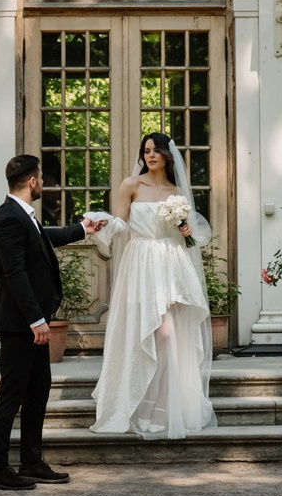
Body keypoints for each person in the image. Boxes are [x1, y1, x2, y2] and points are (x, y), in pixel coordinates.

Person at [0, 153, 102, 491]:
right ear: (33, 182)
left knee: (38, 390)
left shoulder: (23, 215)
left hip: (33, 323)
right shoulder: (8, 217)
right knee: (10, 395)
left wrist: (83, 229)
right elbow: (14, 273)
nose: (43, 184)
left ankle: (31, 461)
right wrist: (37, 321)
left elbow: (43, 238)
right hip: (19, 324)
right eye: (42, 178)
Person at [90, 132, 216, 439]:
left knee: (172, 338)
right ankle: (141, 403)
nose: (150, 156)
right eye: (146, 151)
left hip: (172, 265)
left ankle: (161, 407)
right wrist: (104, 224)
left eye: (156, 151)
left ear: (167, 156)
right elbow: (121, 222)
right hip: (141, 264)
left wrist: (186, 230)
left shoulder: (176, 192)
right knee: (156, 332)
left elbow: (189, 236)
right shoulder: (131, 185)